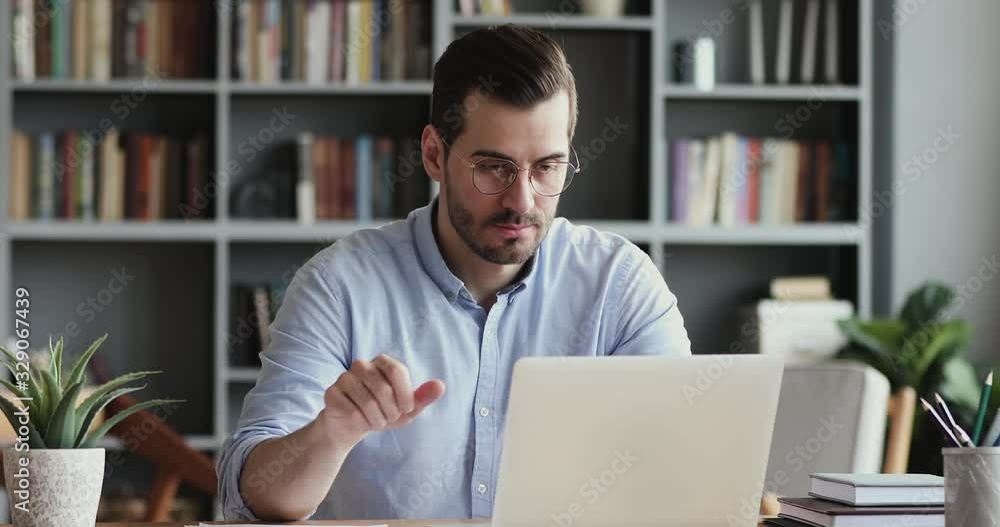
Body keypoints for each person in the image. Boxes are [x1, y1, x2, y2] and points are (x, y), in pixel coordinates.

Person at [217, 24, 691, 522]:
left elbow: (690, 468)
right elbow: (251, 499)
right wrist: (331, 433)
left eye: (547, 167)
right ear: (433, 154)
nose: (522, 201)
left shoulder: (620, 285)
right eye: (494, 167)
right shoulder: (339, 287)